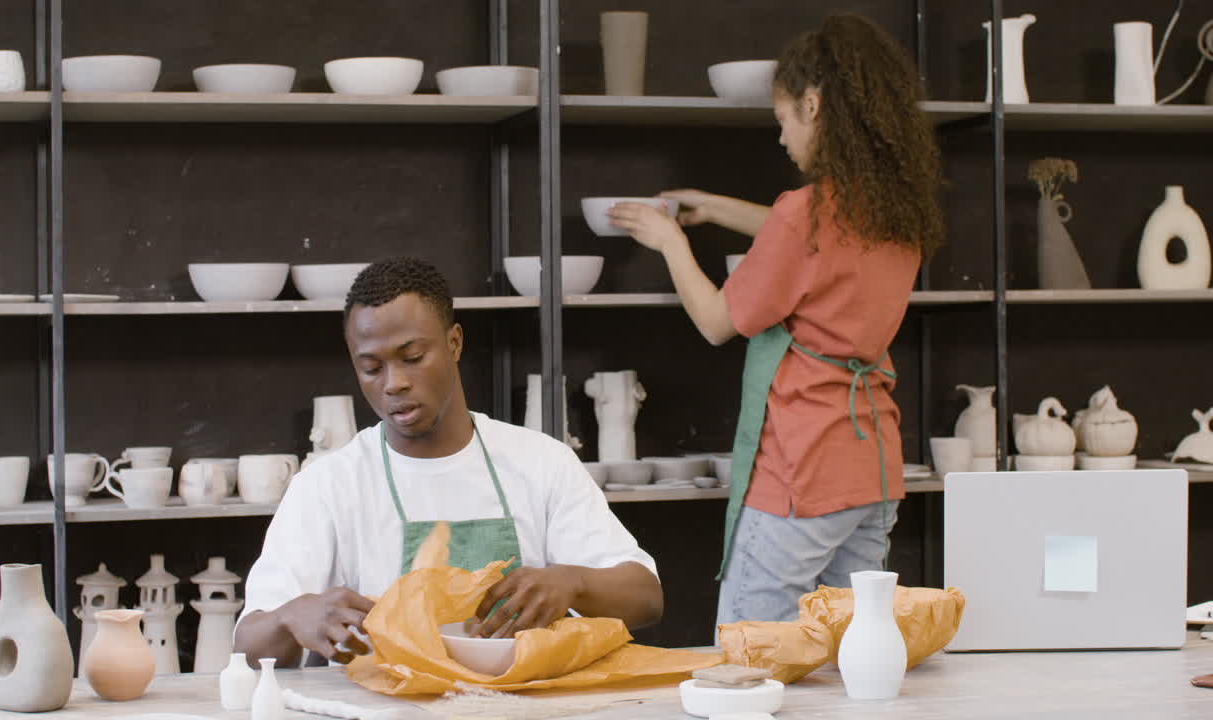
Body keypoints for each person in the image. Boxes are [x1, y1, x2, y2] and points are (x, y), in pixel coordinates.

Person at [608, 12, 944, 624]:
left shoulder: (805, 214)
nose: (782, 137)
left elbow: (715, 321)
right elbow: (806, 238)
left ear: (814, 106)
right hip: (871, 469)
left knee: (750, 647)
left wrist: (669, 241)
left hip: (802, 468)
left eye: (783, 119)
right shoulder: (896, 214)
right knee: (853, 644)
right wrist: (712, 207)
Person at [233, 257, 663, 667]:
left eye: (413, 358)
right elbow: (248, 645)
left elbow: (646, 598)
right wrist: (290, 616)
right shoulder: (328, 485)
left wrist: (573, 582)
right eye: (371, 368)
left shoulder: (541, 462)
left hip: (520, 706)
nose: (394, 383)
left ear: (454, 342)